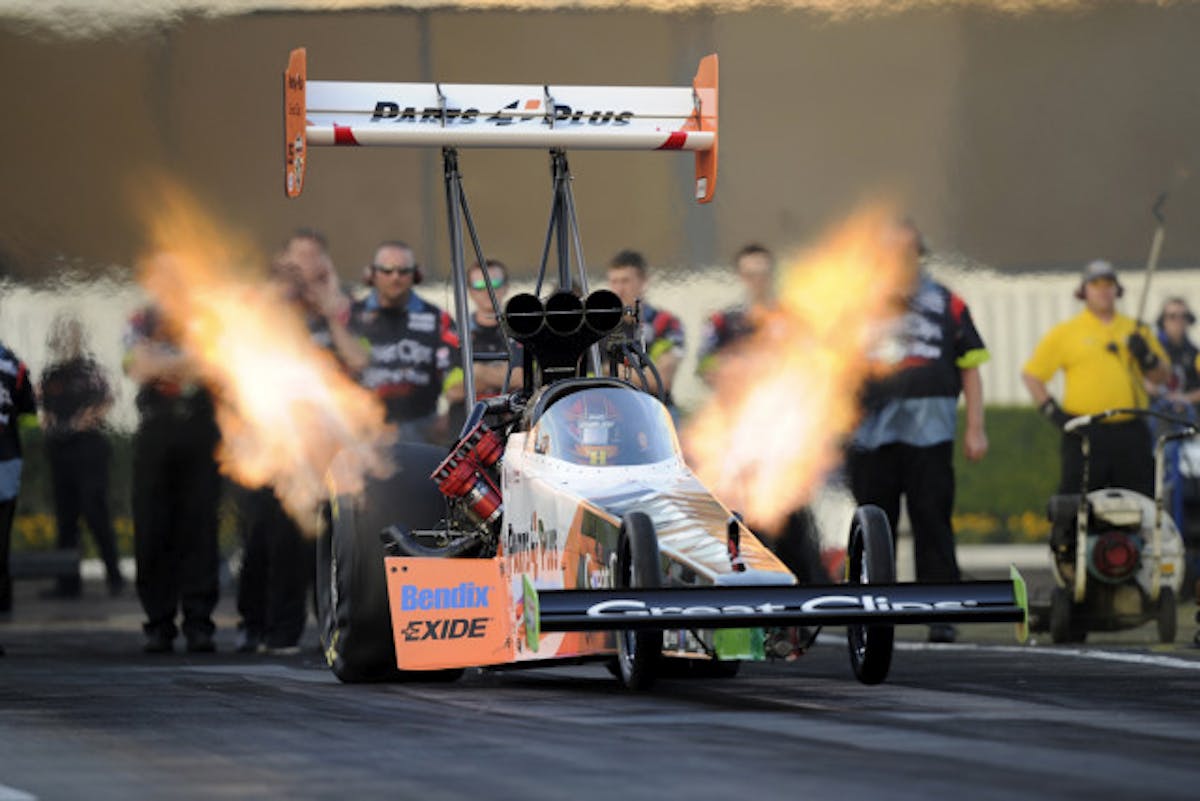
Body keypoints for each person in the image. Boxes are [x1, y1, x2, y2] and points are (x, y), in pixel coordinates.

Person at [846, 220, 990, 644]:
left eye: (906, 251)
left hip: (931, 433)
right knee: (873, 525)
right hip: (870, 436)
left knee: (933, 520)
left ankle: (940, 611)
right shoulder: (857, 302)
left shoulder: (948, 302)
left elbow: (971, 367)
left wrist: (976, 428)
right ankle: (870, 611)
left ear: (919, 253)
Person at [234, 231, 367, 655]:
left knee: (312, 536)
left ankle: (296, 630)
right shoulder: (261, 303)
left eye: (313, 258)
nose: (304, 267)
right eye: (297, 259)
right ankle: (253, 622)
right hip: (268, 439)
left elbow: (359, 361)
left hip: (321, 443)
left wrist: (330, 309)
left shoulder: (341, 308)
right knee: (261, 535)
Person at [1021, 259, 1169, 498]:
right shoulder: (1066, 332)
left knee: (1139, 500)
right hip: (1085, 431)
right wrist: (1054, 413)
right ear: (1084, 291)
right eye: (1095, 284)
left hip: (1130, 430)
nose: (1103, 290)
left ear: (1117, 289)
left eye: (1108, 284)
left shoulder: (1137, 329)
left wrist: (1147, 357)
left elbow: (1163, 376)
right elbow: (1032, 375)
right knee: (1077, 501)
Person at [124, 304, 222, 654]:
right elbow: (138, 368)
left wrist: (164, 363)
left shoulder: (211, 316)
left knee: (200, 530)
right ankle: (158, 623)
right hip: (155, 434)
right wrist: (189, 361)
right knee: (152, 530)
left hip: (200, 433)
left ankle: (199, 624)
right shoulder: (141, 320)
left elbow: (217, 367)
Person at [38, 313, 123, 599]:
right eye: (61, 336)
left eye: (70, 336)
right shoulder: (51, 374)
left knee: (95, 510)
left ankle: (114, 577)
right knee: (66, 517)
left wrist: (89, 418)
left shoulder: (90, 371)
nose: (65, 341)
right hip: (60, 449)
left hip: (89, 448)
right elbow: (44, 407)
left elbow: (108, 398)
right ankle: (68, 583)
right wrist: (49, 422)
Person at [351, 240, 462, 443]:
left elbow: (457, 370)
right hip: (363, 428)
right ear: (372, 274)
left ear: (416, 275)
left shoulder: (438, 319)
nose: (395, 277)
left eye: (403, 271)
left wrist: (450, 415)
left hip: (422, 427)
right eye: (387, 270)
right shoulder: (350, 316)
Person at [446, 258, 522, 439]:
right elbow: (453, 390)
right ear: (470, 291)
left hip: (513, 432)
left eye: (495, 283)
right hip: (467, 434)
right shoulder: (455, 335)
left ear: (506, 287)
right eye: (480, 285)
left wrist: (478, 372)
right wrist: (505, 375)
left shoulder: (523, 331)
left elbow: (524, 379)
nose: (488, 291)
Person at [604, 250, 685, 418]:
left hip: (655, 412)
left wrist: (608, 370)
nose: (619, 290)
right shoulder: (600, 327)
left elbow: (660, 380)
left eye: (625, 281)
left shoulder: (665, 323)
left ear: (643, 282)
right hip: (611, 412)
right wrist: (638, 374)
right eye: (614, 282)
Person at [697, 243, 775, 383]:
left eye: (763, 274)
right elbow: (704, 367)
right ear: (740, 276)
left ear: (771, 275)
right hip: (738, 392)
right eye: (751, 275)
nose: (757, 281)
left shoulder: (790, 320)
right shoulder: (721, 321)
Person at [0, 338, 37, 635]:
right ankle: (3, 601)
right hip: (7, 460)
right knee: (1, 540)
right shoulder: (14, 364)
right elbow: (29, 416)